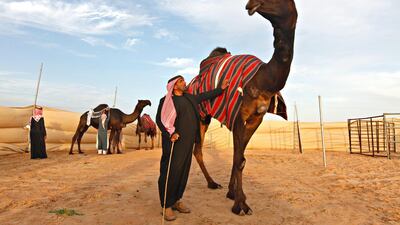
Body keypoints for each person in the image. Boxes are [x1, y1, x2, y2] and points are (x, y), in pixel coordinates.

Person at [156, 75, 229, 221]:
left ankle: (176, 200)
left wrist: (220, 89)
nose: (185, 83)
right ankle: (166, 206)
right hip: (174, 143)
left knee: (183, 172)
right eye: (181, 81)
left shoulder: (189, 98)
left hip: (188, 142)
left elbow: (204, 96)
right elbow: (160, 119)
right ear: (174, 86)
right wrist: (170, 133)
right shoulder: (166, 101)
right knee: (171, 172)